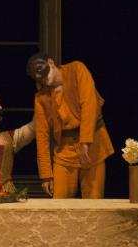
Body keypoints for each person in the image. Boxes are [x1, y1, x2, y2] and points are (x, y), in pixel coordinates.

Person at [25, 53, 114, 198]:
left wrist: (85, 141)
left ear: (51, 62)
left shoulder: (77, 70)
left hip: (93, 143)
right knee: (59, 202)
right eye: (39, 78)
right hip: (64, 150)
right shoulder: (41, 97)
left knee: (94, 202)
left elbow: (89, 104)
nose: (44, 79)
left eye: (45, 73)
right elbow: (42, 135)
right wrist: (46, 174)